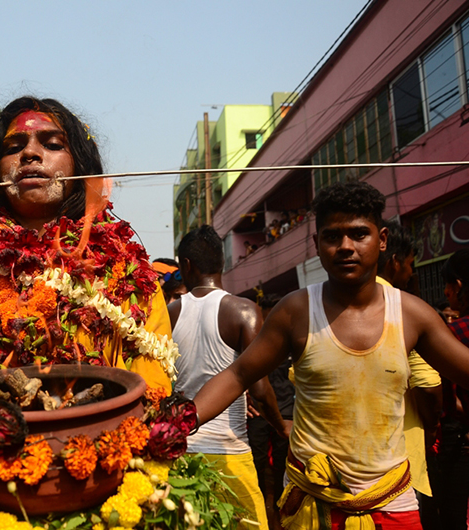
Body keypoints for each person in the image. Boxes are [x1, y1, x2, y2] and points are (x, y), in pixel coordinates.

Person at [192, 181, 469, 530]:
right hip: (313, 505)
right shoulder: (296, 310)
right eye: (332, 236)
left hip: (392, 504)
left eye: (358, 234)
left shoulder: (412, 314)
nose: (345, 247)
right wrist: (182, 421)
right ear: (317, 244)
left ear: (381, 240)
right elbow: (238, 375)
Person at [0, 97, 175, 445]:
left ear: (80, 168)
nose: (29, 153)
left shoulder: (127, 274)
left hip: (105, 472)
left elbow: (152, 402)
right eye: (14, 147)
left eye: (52, 144)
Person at [168, 226, 288, 530]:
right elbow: (260, 388)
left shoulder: (169, 312)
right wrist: (280, 425)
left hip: (181, 452)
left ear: (185, 266)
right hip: (229, 452)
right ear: (222, 263)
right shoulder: (244, 311)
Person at [376, 220, 442, 527]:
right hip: (402, 467)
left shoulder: (328, 307)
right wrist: (431, 425)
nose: (412, 273)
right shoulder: (405, 310)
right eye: (410, 265)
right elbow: (428, 386)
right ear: (394, 262)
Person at [247, 294, 295, 525]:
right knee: (256, 460)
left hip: (287, 413)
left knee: (281, 464)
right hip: (258, 413)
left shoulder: (293, 339)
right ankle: (258, 507)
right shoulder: (253, 341)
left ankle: (278, 507)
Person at [432, 249, 469, 530]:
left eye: (447, 285)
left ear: (457, 286)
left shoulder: (454, 334)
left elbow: (446, 401)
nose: (445, 292)